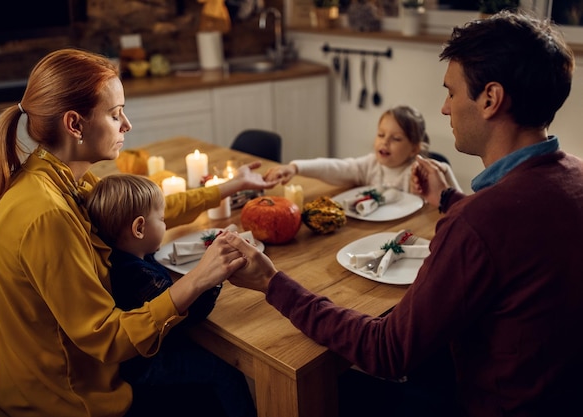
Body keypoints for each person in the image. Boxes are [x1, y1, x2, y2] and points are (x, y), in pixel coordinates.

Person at [224, 10, 583, 417]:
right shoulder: (573, 177)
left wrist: (273, 283)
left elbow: (387, 351)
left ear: (490, 99)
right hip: (560, 392)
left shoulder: (479, 223)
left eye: (451, 91)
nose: (445, 108)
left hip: (488, 402)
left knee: (328, 381)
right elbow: (515, 234)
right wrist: (448, 199)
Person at [0, 48, 275, 417]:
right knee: (221, 378)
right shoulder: (47, 214)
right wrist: (199, 279)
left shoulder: (60, 178)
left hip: (79, 381)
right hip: (67, 402)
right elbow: (106, 338)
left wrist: (227, 187)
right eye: (114, 113)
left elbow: (137, 215)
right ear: (75, 125)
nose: (127, 125)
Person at [85, 174, 256, 417]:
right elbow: (191, 314)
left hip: (144, 356)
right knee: (224, 369)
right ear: (139, 228)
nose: (166, 225)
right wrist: (214, 278)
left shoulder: (124, 257)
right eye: (163, 219)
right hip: (148, 365)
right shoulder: (137, 275)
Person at [263, 105, 462, 193]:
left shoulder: (416, 173)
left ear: (413, 149)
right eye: (381, 135)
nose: (384, 143)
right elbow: (337, 168)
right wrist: (296, 168)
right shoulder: (370, 165)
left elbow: (449, 201)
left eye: (396, 139)